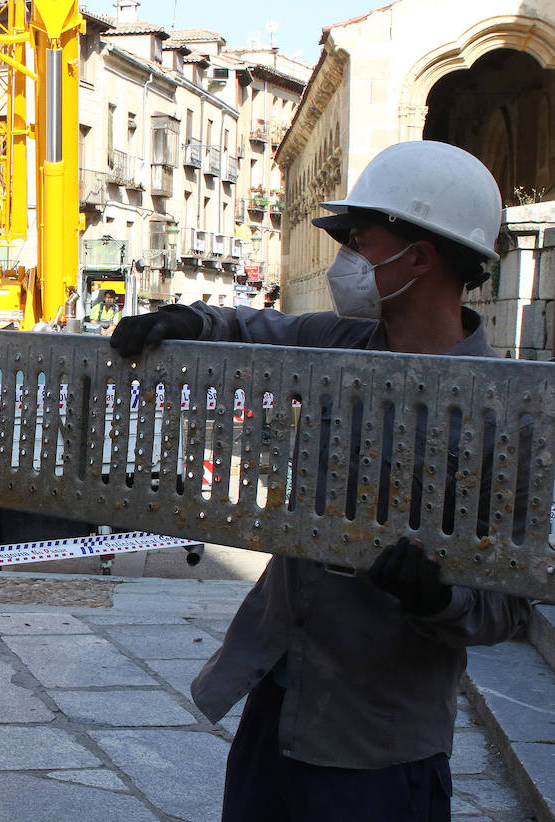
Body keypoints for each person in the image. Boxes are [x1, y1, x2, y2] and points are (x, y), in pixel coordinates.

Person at [108, 141, 532, 821]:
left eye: (361, 240)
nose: (346, 260)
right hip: (279, 703)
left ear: (418, 256)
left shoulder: (506, 414)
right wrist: (184, 320)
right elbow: (257, 327)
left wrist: (438, 597)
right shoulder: (340, 347)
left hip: (375, 748)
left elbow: (512, 602)